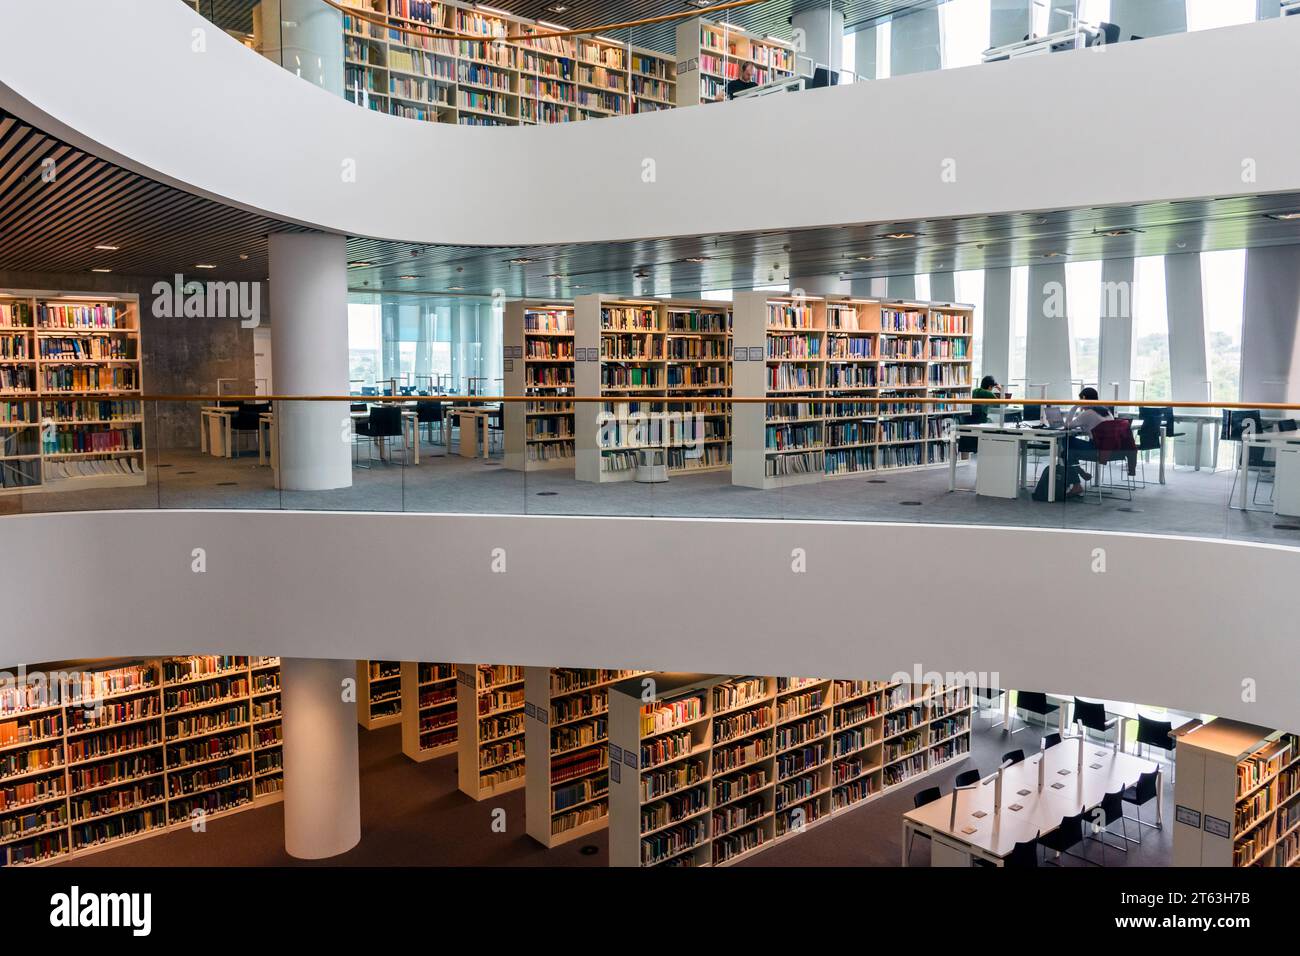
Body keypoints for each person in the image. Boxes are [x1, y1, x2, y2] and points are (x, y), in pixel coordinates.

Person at [1062, 386, 1112, 495]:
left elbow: (1067, 426)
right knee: (1068, 450)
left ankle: (1077, 483)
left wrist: (1074, 407)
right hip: (1111, 450)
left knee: (1065, 444)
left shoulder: (1089, 413)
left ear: (1083, 398)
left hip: (1096, 450)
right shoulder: (1107, 411)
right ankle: (1080, 474)